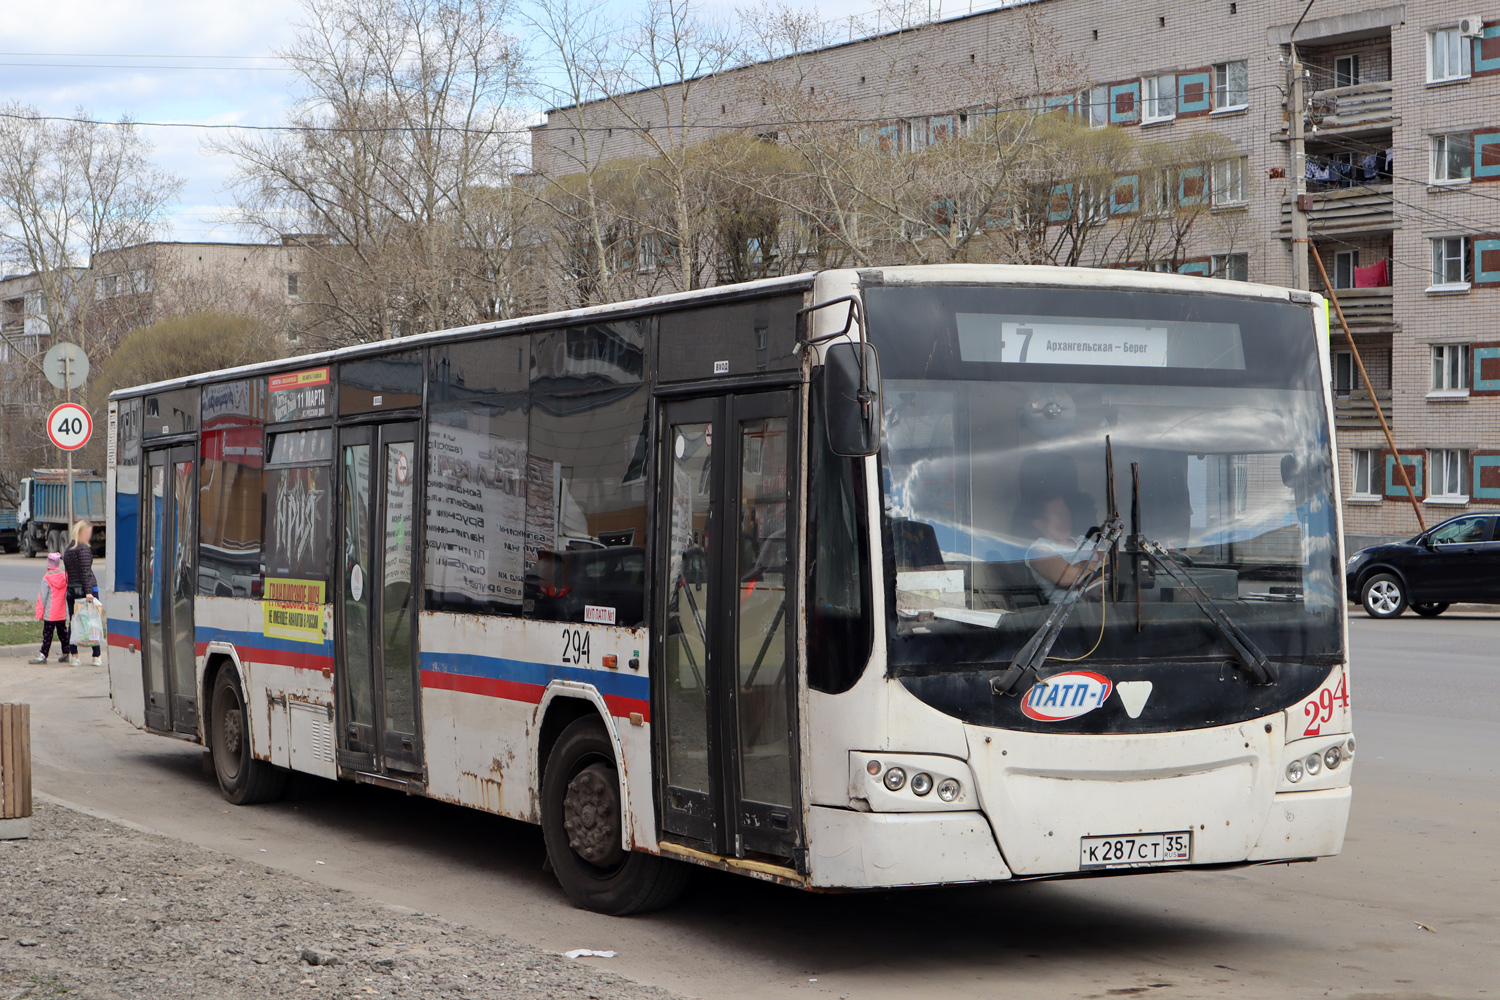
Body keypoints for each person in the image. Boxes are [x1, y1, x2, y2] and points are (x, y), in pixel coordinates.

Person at [1025, 493, 1101, 603]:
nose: (1065, 517)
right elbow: (1069, 579)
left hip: (1105, 605)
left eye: (1065, 512)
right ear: (1039, 524)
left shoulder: (1083, 540)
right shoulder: (1039, 549)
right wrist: (1096, 565)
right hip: (1071, 613)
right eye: (1058, 514)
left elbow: (1111, 564)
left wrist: (1079, 566)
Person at [63, 519, 101, 666]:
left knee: (74, 621)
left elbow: (68, 572)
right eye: (88, 533)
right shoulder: (83, 549)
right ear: (82, 533)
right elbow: (85, 571)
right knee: (92, 622)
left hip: (71, 590)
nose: (89, 536)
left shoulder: (68, 549)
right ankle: (96, 656)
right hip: (85, 590)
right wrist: (89, 592)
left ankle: (74, 655)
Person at [29, 553, 70, 665]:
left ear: (48, 565)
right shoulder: (65, 576)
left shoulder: (46, 578)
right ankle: (66, 652)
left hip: (50, 612)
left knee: (48, 633)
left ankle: (43, 654)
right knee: (62, 632)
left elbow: (42, 597)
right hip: (61, 611)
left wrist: (40, 613)